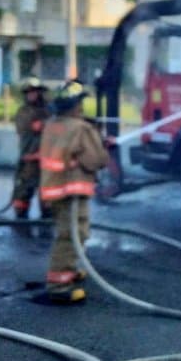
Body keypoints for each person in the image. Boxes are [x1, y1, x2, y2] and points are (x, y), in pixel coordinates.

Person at [38, 80, 110, 304]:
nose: (82, 106)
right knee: (72, 236)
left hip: (55, 188)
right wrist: (103, 145)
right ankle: (59, 285)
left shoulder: (53, 124)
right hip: (72, 191)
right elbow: (95, 160)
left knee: (69, 233)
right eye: (80, 102)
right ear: (74, 105)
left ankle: (68, 271)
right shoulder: (82, 128)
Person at [12, 76, 50, 220]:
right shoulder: (24, 112)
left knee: (46, 192)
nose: (32, 95)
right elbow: (29, 127)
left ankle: (46, 217)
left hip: (47, 160)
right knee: (23, 190)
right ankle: (21, 217)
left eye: (35, 92)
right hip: (29, 158)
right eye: (29, 92)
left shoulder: (49, 109)